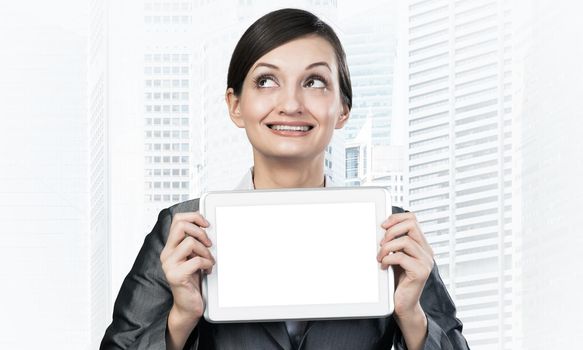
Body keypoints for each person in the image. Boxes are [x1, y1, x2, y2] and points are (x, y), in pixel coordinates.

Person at [100, 8, 469, 350]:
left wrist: (412, 317)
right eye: (265, 81)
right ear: (235, 105)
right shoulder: (184, 231)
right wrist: (181, 318)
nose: (291, 103)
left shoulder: (391, 231)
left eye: (314, 81)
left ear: (342, 109)